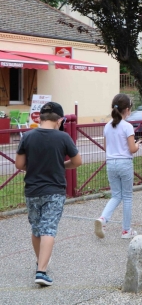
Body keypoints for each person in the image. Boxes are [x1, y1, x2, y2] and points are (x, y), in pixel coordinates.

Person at [15, 102, 81, 286]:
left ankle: (40, 262)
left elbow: (19, 165)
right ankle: (41, 271)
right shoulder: (63, 137)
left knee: (37, 229)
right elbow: (77, 161)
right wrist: (62, 165)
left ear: (40, 118)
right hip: (54, 190)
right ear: (59, 120)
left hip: (32, 190)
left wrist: (35, 167)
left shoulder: (27, 137)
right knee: (49, 229)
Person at [95, 94, 141, 240]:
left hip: (111, 162)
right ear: (127, 110)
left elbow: (105, 146)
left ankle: (103, 218)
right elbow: (132, 149)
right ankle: (126, 230)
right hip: (124, 163)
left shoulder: (107, 126)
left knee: (116, 195)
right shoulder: (128, 126)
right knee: (127, 196)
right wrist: (138, 145)